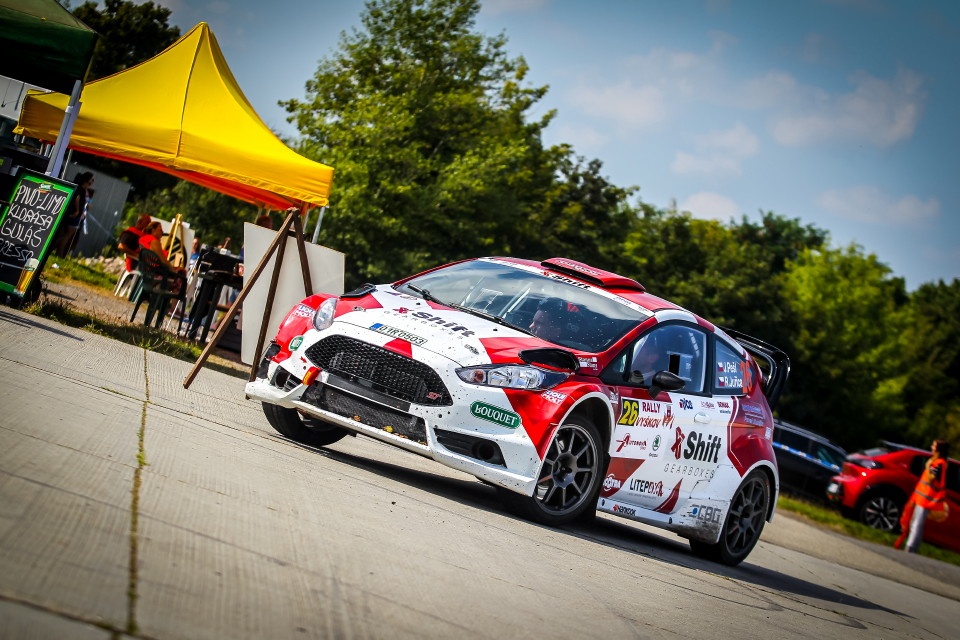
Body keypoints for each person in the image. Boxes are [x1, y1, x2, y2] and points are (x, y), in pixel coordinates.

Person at [895, 439, 951, 553]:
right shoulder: (937, 462)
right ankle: (912, 547)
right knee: (915, 523)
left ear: (939, 449)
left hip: (926, 499)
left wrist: (928, 466)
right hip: (922, 497)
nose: (931, 447)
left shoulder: (939, 463)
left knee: (916, 524)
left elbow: (931, 479)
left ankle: (910, 548)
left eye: (934, 445)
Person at [53, 171, 94, 256]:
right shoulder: (81, 189)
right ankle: (55, 250)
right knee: (67, 236)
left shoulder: (82, 189)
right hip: (75, 215)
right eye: (92, 180)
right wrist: (77, 210)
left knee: (66, 236)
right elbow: (77, 198)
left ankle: (58, 252)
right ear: (87, 180)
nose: (92, 182)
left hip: (74, 215)